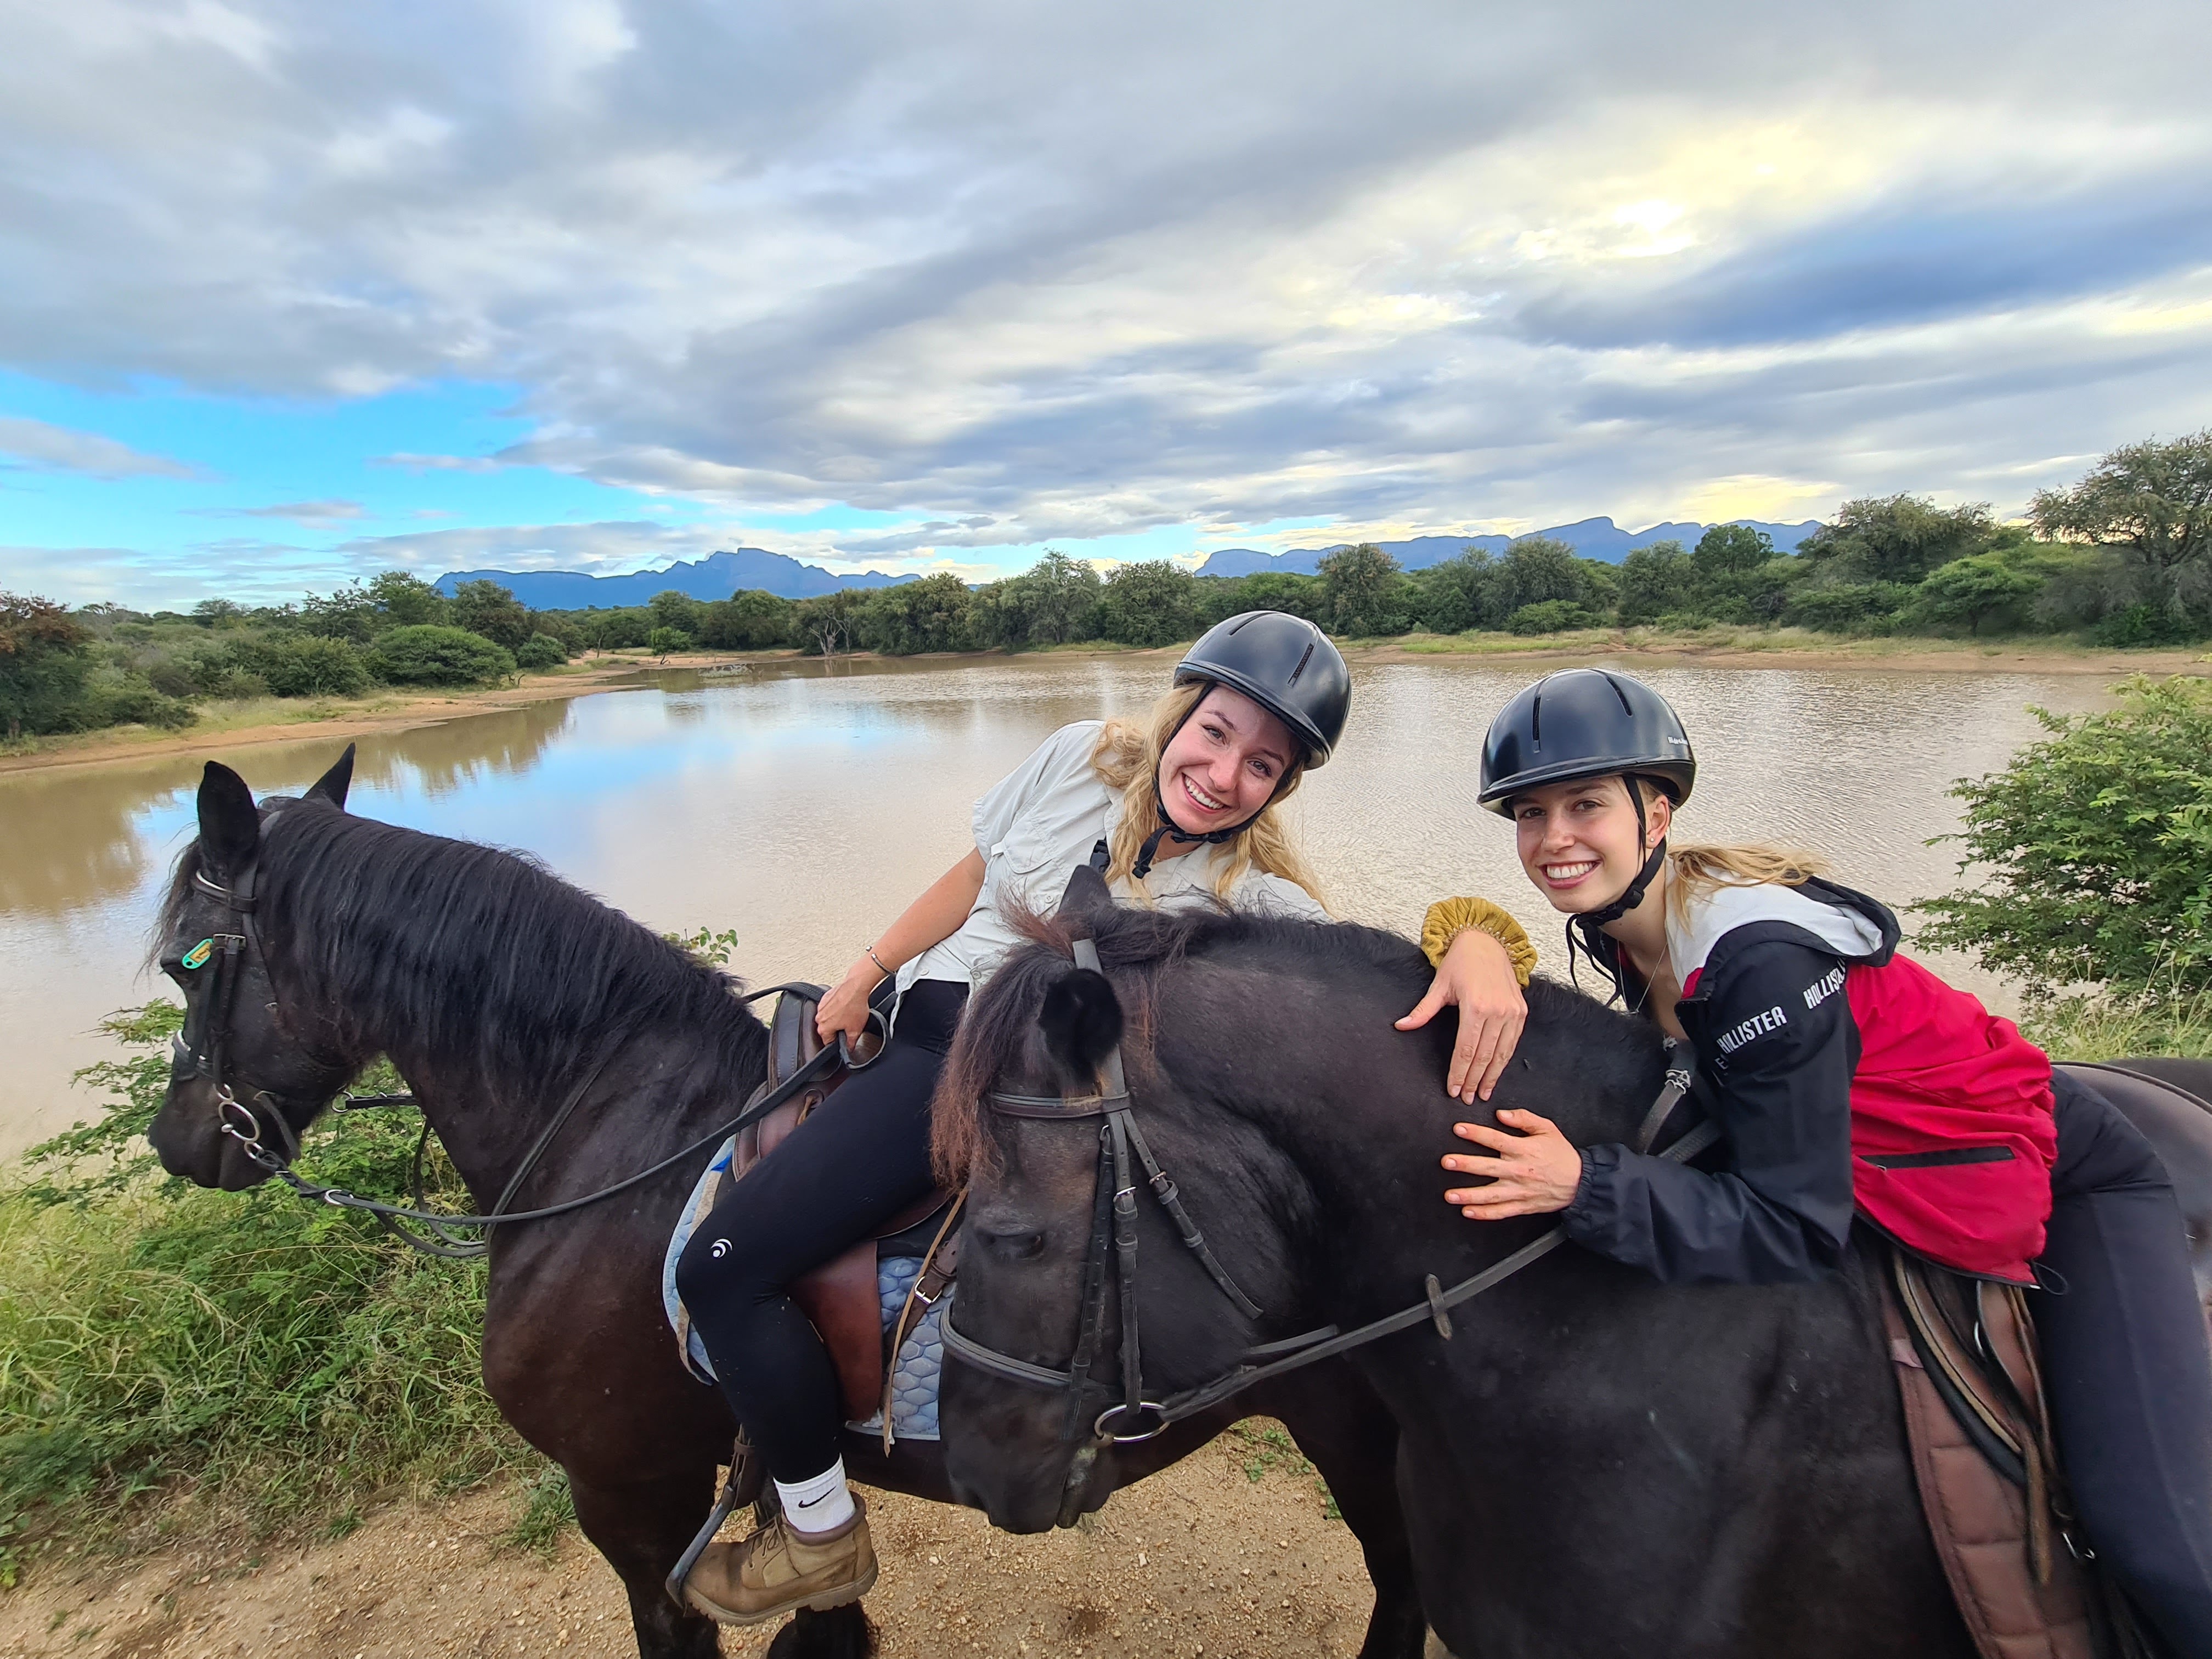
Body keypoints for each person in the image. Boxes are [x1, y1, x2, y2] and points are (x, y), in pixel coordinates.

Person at [674, 612, 1523, 1626]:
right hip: (922, 1020)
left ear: (1281, 790)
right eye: (1215, 733)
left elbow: (1366, 983)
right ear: (1180, 715)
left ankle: (816, 1534)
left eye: (1263, 765)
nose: (1223, 774)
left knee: (721, 1266)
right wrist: (867, 969)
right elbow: (976, 874)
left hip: (984, 1075)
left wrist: (1475, 938)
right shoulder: (1079, 754)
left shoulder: (1248, 897)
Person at [1403, 666, 2212, 1656]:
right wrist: (1472, 934)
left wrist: (1588, 1186)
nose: (1554, 840)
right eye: (1529, 815)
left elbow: (1796, 1221)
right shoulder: (1629, 929)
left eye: (1585, 806)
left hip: (2063, 1165)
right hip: (1864, 1143)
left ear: (1655, 815)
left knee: (2162, 1541)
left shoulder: (1756, 962)